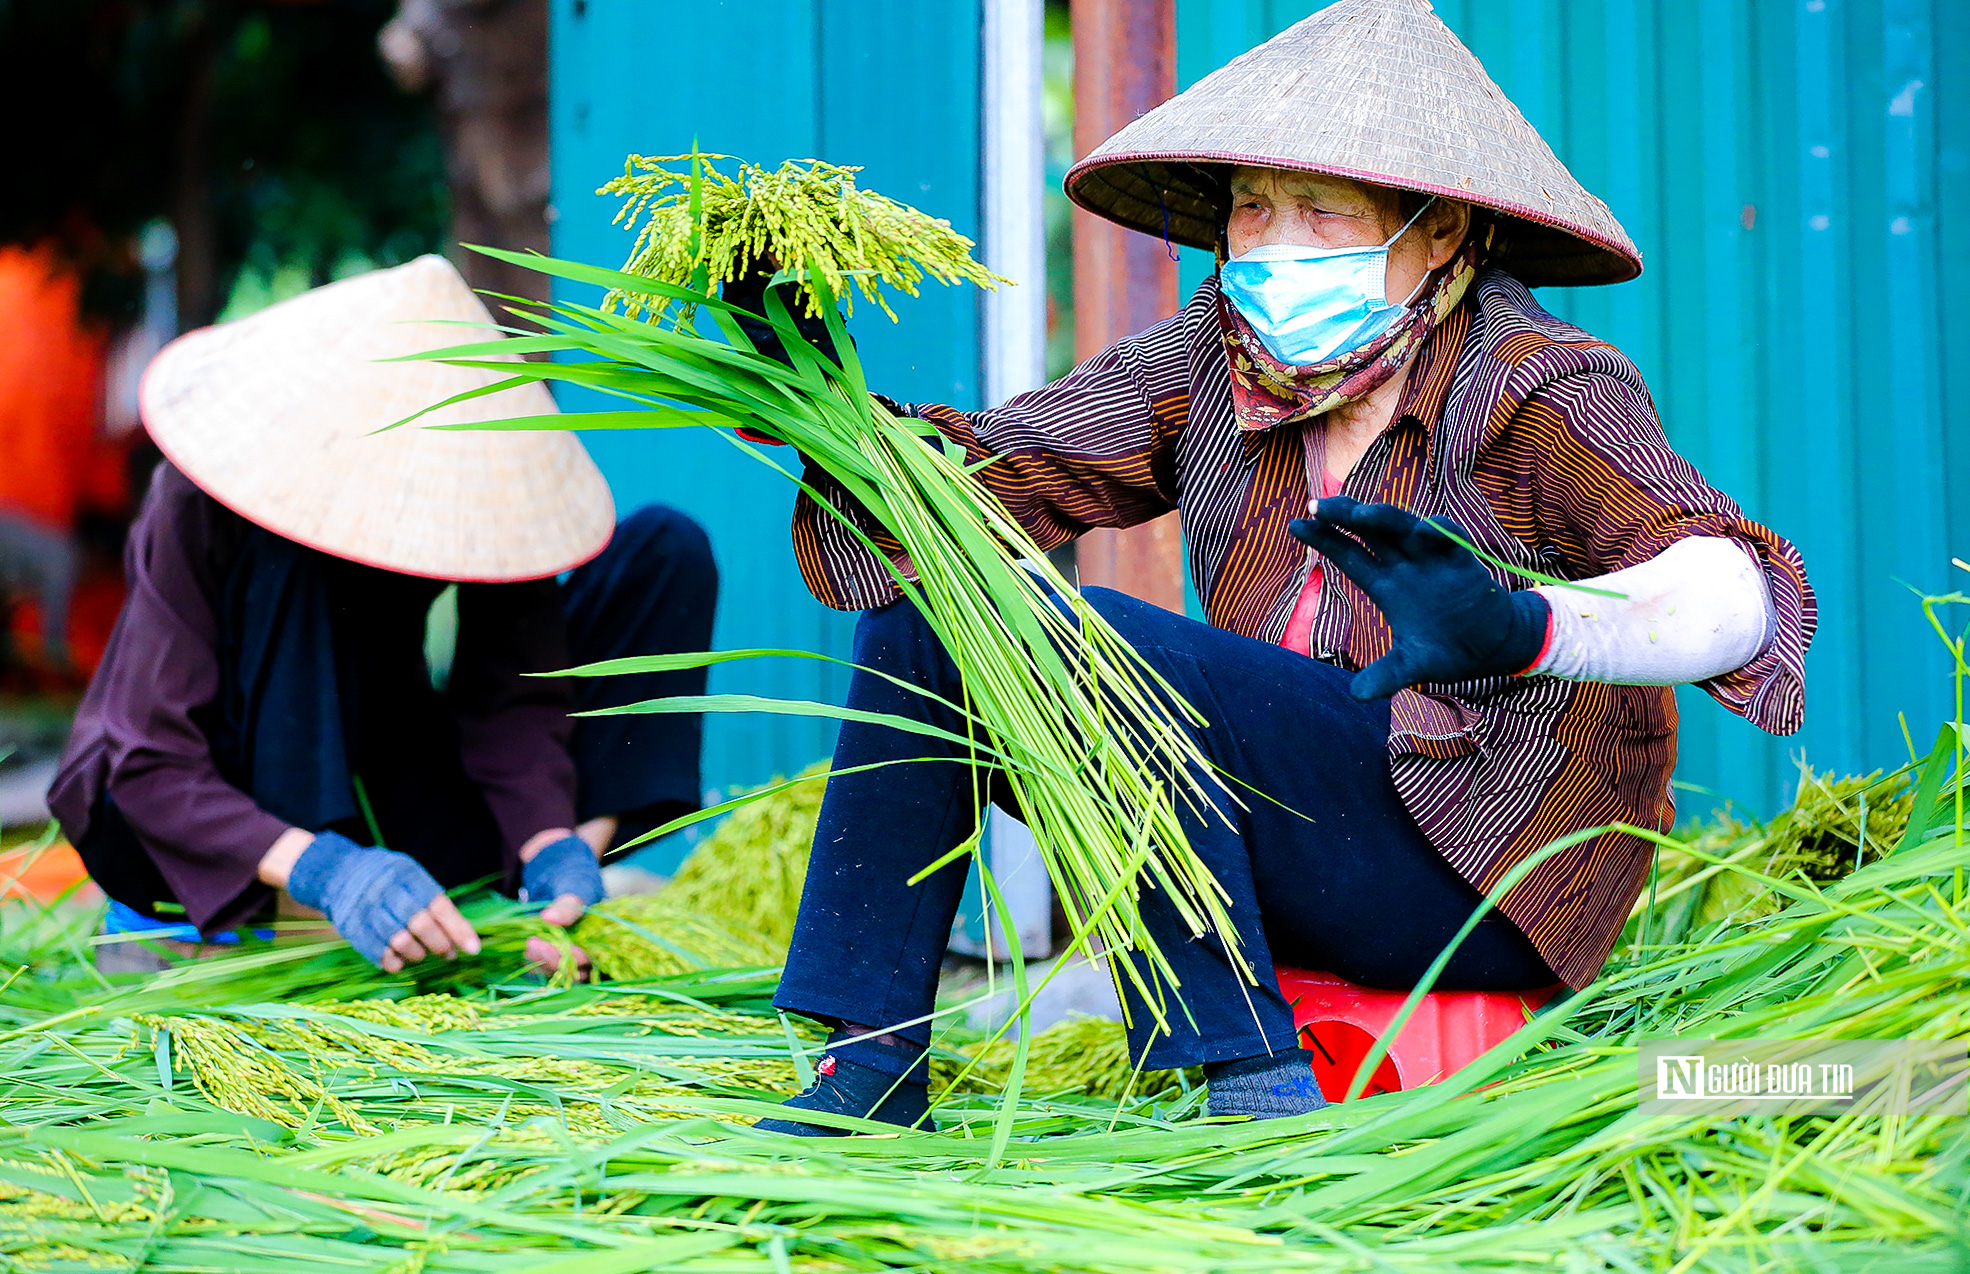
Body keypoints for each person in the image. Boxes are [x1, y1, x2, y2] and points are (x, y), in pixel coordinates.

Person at [751, 0, 1814, 1133]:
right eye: (1251, 213)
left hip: (1475, 870)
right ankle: (866, 1063)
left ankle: (1247, 1076)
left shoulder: (1533, 382)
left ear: (1439, 230)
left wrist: (1524, 626)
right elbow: (976, 489)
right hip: (1281, 838)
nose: (1268, 247)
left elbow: (1738, 591)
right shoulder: (1212, 357)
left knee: (1112, 646)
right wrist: (823, 409)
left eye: (1319, 214)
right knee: (935, 609)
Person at [49, 256, 717, 973]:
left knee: (661, 551)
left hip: (388, 790)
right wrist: (326, 872)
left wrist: (549, 843)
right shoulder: (207, 495)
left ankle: (557, 913)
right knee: (293, 561)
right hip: (215, 820)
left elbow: (514, 693)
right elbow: (150, 761)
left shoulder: (480, 473)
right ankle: (310, 922)